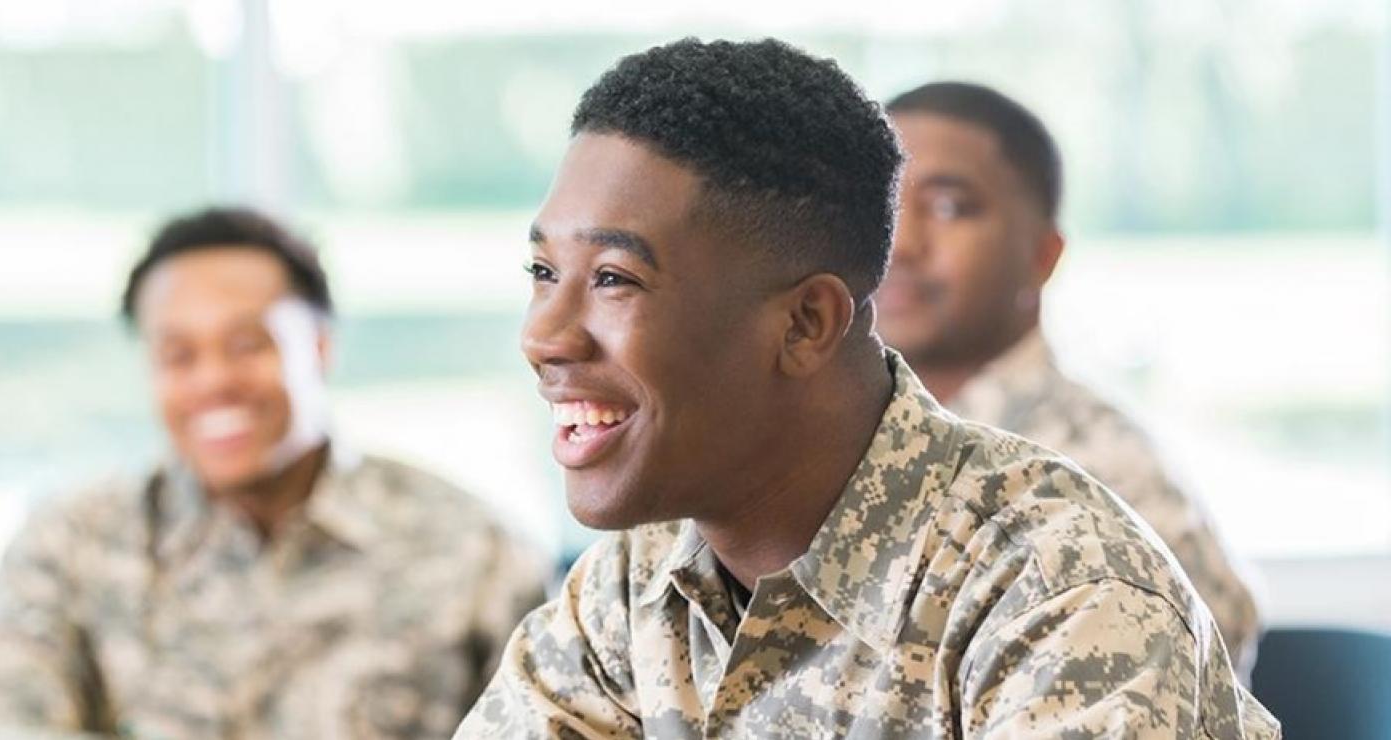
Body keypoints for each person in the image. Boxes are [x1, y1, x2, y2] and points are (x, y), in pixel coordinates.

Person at [455, 38, 1278, 737]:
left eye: (612, 277)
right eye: (541, 271)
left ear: (807, 324)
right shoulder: (634, 585)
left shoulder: (1059, 590)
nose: (543, 336)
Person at [0, 207, 546, 739]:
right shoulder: (71, 545)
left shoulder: (471, 549)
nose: (214, 381)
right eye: (178, 355)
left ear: (319, 348)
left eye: (249, 345)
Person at [878, 81, 1262, 671]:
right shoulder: (836, 440)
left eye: (950, 207)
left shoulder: (1106, 472)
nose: (899, 243)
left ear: (1042, 256)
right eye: (880, 205)